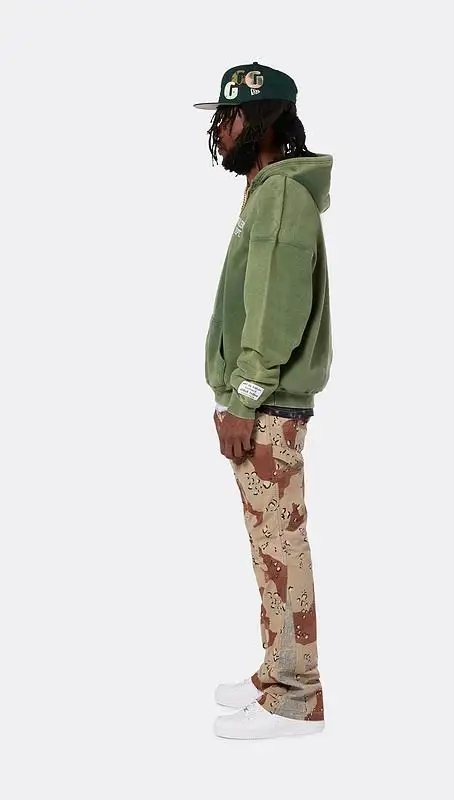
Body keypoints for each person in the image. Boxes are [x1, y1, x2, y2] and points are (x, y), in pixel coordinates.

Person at [194, 62, 333, 740]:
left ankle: (296, 698)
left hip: (267, 407)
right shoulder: (266, 190)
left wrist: (243, 399)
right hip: (262, 403)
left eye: (230, 116)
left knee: (280, 548)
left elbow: (275, 313)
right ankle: (276, 672)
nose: (220, 130)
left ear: (262, 120)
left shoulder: (279, 196)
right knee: (268, 548)